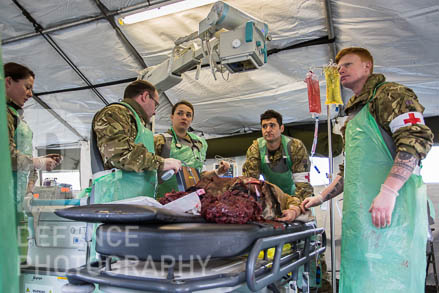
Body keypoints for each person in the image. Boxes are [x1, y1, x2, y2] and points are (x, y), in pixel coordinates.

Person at [301, 47, 433, 292]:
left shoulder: (391, 95)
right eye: (338, 66)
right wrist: (321, 197)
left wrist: (389, 192)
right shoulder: (354, 114)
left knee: (393, 281)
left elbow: (416, 140)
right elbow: (348, 168)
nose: (340, 70)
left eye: (348, 64)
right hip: (361, 221)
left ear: (367, 67)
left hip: (395, 215)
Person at [5, 62, 61, 262]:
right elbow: (6, 156)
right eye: (27, 87)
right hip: (6, 201)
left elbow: (22, 154)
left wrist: (32, 179)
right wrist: (38, 162)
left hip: (15, 200)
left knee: (16, 260)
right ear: (8, 82)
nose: (30, 94)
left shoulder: (15, 115)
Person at [92, 80, 181, 202]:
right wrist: (161, 163)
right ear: (145, 96)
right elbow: (120, 154)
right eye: (156, 104)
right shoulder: (115, 113)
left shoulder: (137, 124)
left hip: (136, 201)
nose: (155, 111)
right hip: (117, 202)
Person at [154, 100, 230, 197]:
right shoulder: (160, 140)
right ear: (172, 117)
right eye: (180, 113)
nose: (184, 117)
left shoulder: (200, 143)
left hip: (193, 198)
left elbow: (200, 174)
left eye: (188, 115)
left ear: (191, 120)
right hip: (166, 200)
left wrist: (218, 172)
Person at [242, 109, 314, 201]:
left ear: (281, 128)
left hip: (295, 195)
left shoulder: (295, 146)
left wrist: (295, 206)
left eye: (272, 125)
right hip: (270, 196)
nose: (268, 130)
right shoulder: (255, 149)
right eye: (264, 126)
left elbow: (303, 184)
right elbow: (250, 182)